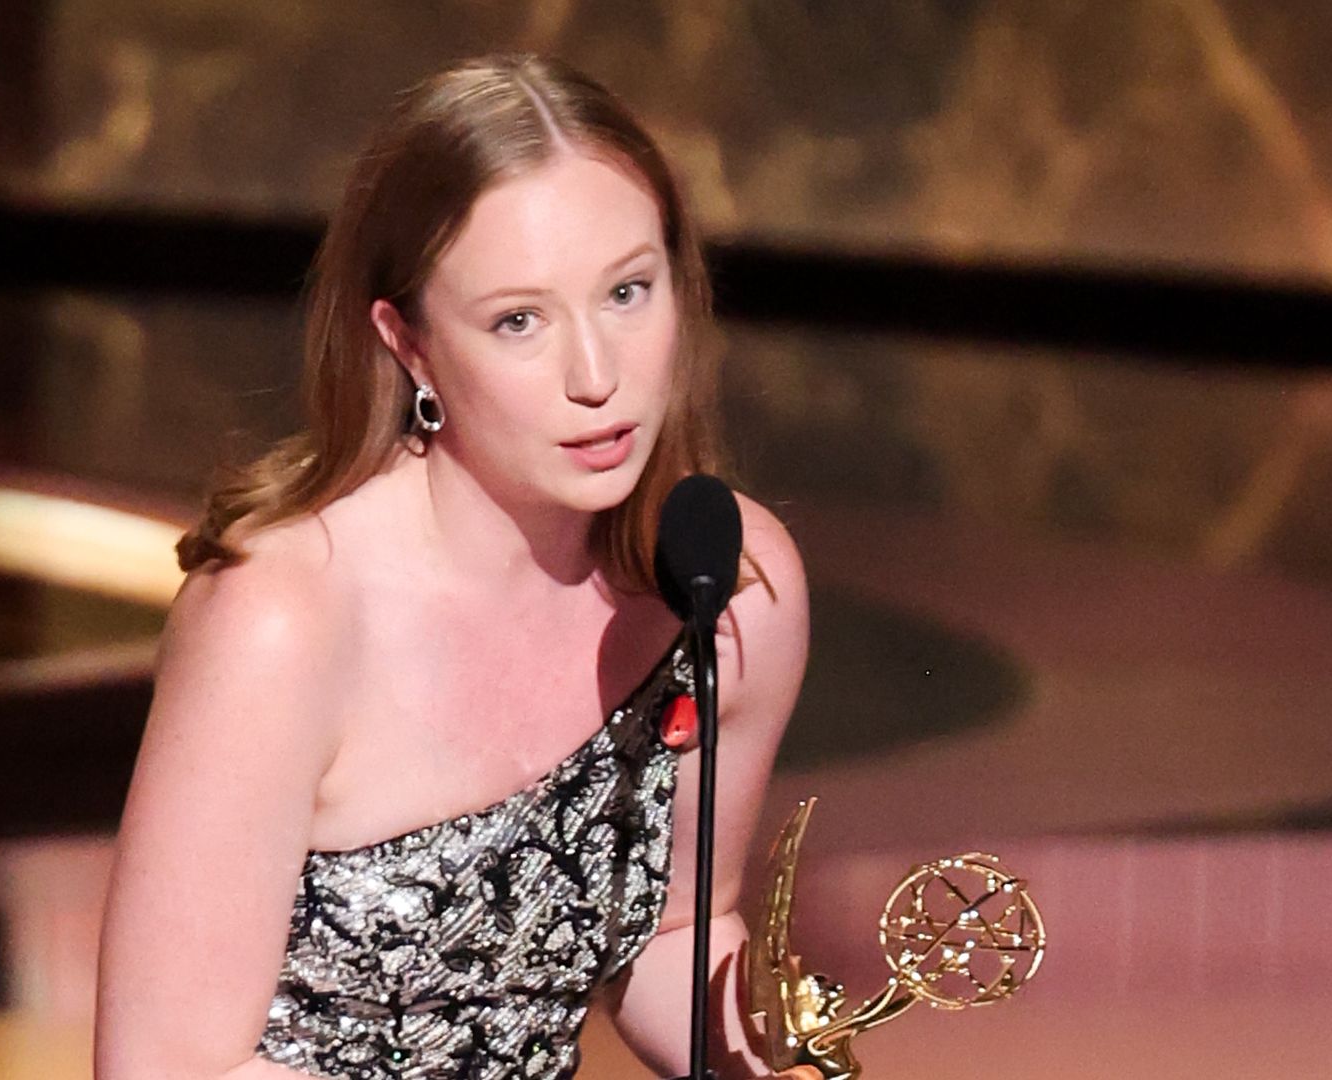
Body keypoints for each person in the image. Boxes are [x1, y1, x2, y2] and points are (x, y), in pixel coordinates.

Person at [96, 54, 812, 1080]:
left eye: (627, 292)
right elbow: (164, 1068)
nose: (597, 377)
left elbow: (670, 937)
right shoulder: (282, 620)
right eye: (519, 320)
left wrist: (782, 1064)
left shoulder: (732, 593)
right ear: (411, 346)